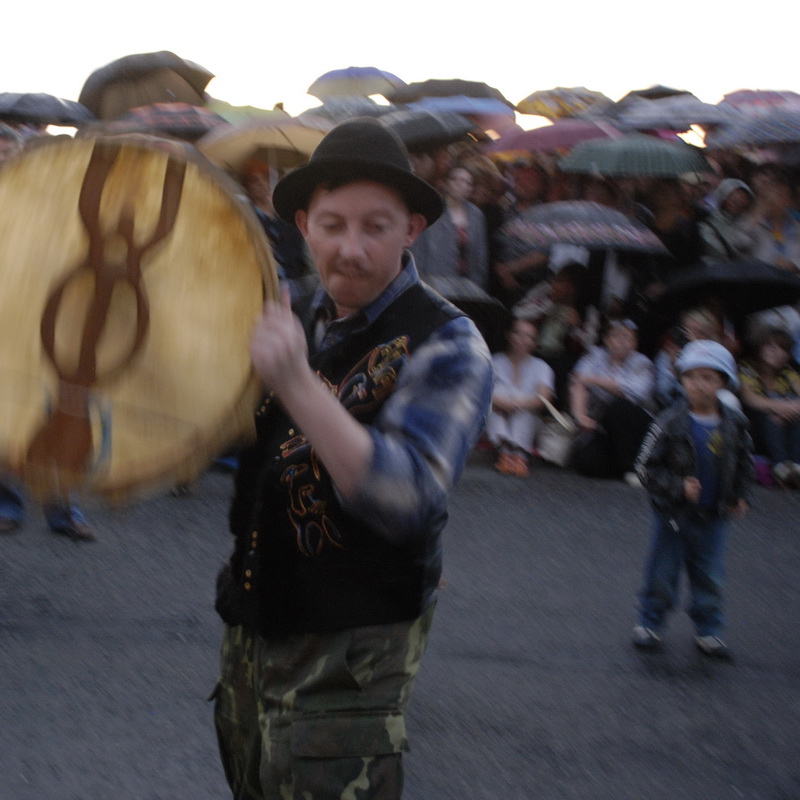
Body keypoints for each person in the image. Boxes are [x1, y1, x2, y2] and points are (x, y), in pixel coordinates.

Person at [211, 118, 493, 800]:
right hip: (255, 632)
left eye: (376, 227)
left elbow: (406, 498)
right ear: (304, 225)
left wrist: (297, 384)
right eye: (333, 225)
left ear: (411, 231)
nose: (352, 249)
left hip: (352, 659)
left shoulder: (449, 343)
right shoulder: (295, 313)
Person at [632, 340, 753, 660]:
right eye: (692, 377)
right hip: (673, 515)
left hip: (714, 515)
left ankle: (709, 629)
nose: (699, 385)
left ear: (724, 383)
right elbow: (644, 468)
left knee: (710, 576)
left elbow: (744, 462)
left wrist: (741, 496)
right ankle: (650, 622)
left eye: (708, 378)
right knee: (662, 572)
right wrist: (677, 487)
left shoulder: (735, 424)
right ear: (681, 380)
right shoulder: (670, 421)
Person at [569, 319, 655, 481]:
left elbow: (633, 392)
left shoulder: (642, 363)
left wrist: (592, 379)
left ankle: (635, 468)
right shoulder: (595, 355)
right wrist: (581, 417)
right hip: (604, 426)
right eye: (617, 336)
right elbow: (578, 383)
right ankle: (622, 472)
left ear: (635, 344)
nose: (623, 342)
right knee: (585, 458)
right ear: (607, 340)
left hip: (636, 427)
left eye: (628, 338)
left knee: (618, 407)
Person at [487, 318, 555, 476]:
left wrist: (518, 404)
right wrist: (503, 402)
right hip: (497, 418)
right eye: (519, 334)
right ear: (510, 336)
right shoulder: (494, 361)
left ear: (535, 342)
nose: (523, 340)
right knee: (496, 400)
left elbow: (544, 398)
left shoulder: (541, 366)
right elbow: (481, 392)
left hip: (529, 421)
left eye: (529, 337)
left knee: (523, 410)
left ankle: (519, 455)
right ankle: (505, 453)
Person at [738, 326, 800, 487]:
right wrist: (781, 407)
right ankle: (780, 466)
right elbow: (750, 399)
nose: (778, 353)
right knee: (769, 412)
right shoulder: (747, 368)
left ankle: (795, 465)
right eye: (771, 347)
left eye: (783, 349)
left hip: (787, 428)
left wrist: (790, 408)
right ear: (760, 347)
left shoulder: (788, 373)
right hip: (757, 427)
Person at [410, 164, 489, 287]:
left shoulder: (476, 215)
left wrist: (478, 284)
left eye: (466, 182)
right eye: (455, 179)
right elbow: (419, 250)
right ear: (446, 183)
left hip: (467, 285)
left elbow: (480, 255)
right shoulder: (432, 209)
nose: (459, 184)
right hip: (434, 282)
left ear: (470, 189)